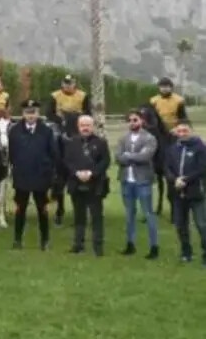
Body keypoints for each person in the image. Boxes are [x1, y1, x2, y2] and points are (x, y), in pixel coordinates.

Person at [8, 99, 58, 250]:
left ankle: (45, 241)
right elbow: (12, 154)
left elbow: (53, 153)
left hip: (41, 177)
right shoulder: (15, 131)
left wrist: (49, 172)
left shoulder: (47, 131)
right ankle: (17, 240)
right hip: (22, 177)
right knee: (20, 210)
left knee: (42, 210)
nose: (30, 116)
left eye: (33, 112)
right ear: (23, 114)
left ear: (38, 113)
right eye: (28, 113)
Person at [115, 110, 159, 259]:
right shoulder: (123, 139)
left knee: (148, 213)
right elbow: (118, 158)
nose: (132, 122)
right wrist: (131, 157)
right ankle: (130, 244)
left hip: (143, 181)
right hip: (127, 181)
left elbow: (145, 157)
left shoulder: (149, 138)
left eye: (135, 120)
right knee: (129, 214)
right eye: (130, 120)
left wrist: (128, 156)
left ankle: (154, 246)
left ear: (141, 121)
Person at [64, 115, 111, 256]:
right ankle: (78, 244)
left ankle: (98, 246)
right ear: (78, 126)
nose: (85, 128)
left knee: (96, 216)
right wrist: (76, 173)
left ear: (93, 126)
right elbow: (67, 161)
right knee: (79, 216)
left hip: (95, 185)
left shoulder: (101, 142)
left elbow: (105, 161)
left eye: (88, 125)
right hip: (76, 183)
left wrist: (92, 173)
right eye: (82, 125)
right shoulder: (72, 142)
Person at [164, 120, 206, 265]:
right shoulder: (172, 149)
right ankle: (186, 252)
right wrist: (174, 179)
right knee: (181, 225)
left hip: (196, 192)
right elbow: (167, 168)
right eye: (179, 131)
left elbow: (202, 168)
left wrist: (186, 180)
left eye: (185, 131)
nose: (182, 134)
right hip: (177, 192)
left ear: (191, 131)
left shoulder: (200, 147)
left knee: (202, 224)